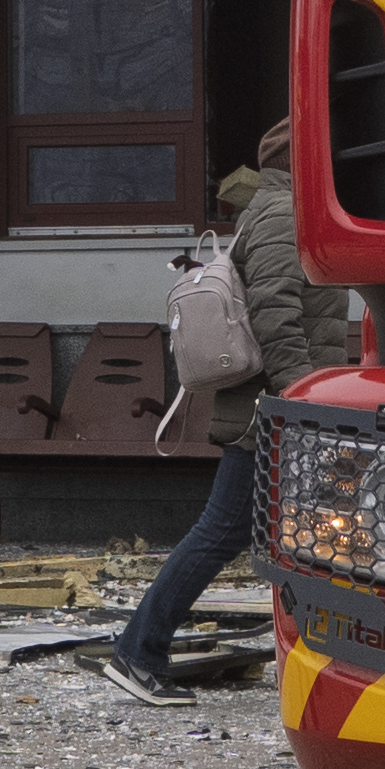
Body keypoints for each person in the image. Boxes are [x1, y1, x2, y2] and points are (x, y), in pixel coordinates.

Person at [101, 115, 355, 705]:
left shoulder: (284, 211)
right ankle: (138, 654)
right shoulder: (282, 216)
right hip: (274, 411)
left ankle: (331, 659)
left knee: (309, 531)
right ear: (306, 162)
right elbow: (274, 314)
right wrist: (304, 400)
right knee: (221, 532)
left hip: (281, 407)